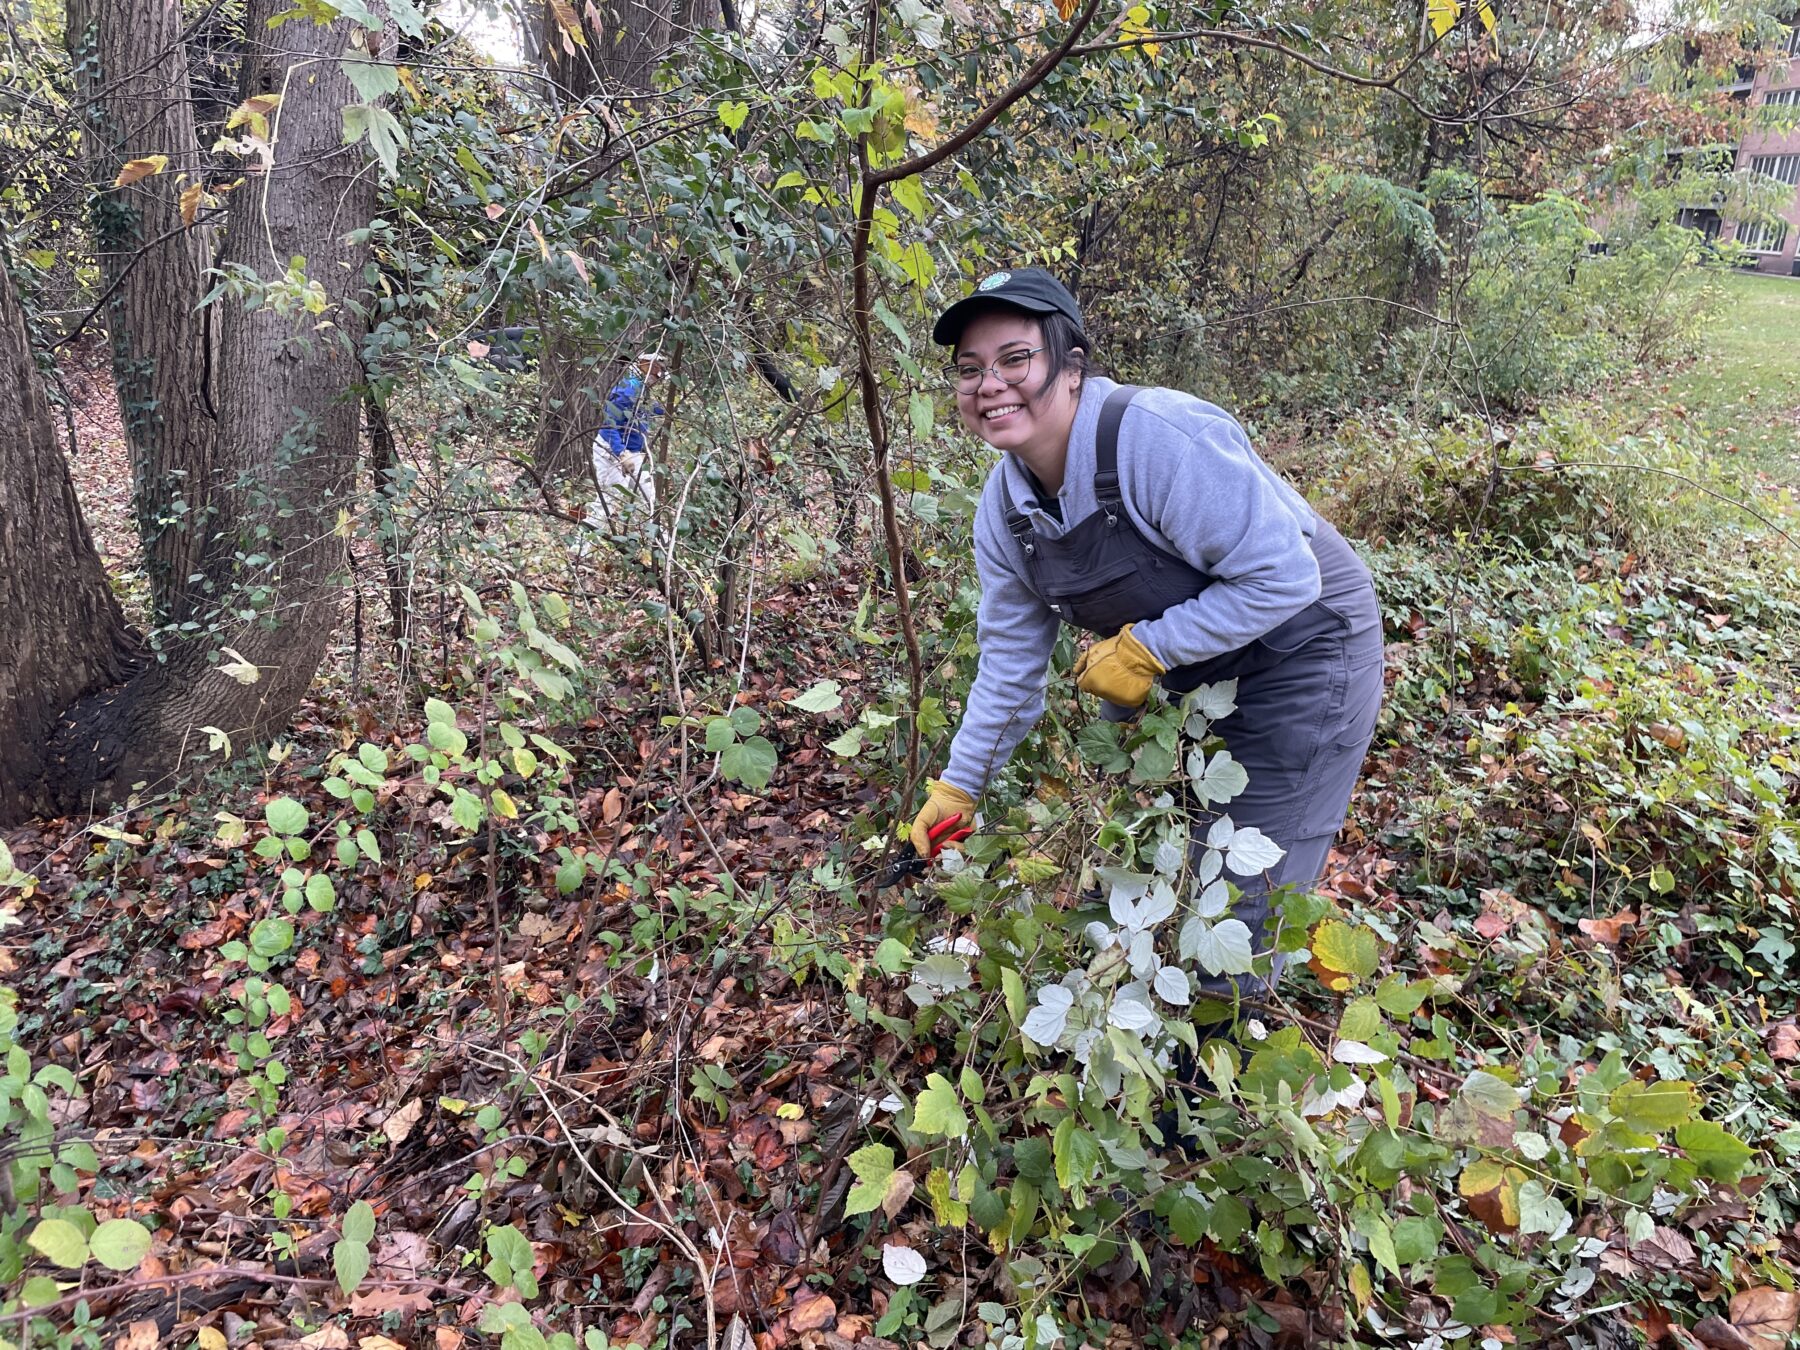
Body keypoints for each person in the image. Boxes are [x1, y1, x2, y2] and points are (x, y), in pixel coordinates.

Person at [906, 268, 1384, 999]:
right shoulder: (1003, 513)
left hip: (1304, 650)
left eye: (1014, 359)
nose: (989, 384)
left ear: (1070, 367)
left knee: (1237, 903)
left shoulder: (1157, 440)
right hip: (1192, 677)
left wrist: (1145, 650)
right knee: (1148, 868)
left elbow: (1286, 578)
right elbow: (1009, 664)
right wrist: (960, 789)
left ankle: (1215, 1071)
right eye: (970, 370)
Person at [586, 352, 664, 527]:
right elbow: (611, 422)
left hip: (634, 452)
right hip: (612, 450)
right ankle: (579, 548)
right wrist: (621, 452)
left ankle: (660, 544)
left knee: (649, 497)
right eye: (656, 367)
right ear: (644, 365)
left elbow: (646, 409)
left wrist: (668, 409)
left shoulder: (643, 390)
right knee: (609, 499)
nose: (658, 374)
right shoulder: (629, 388)